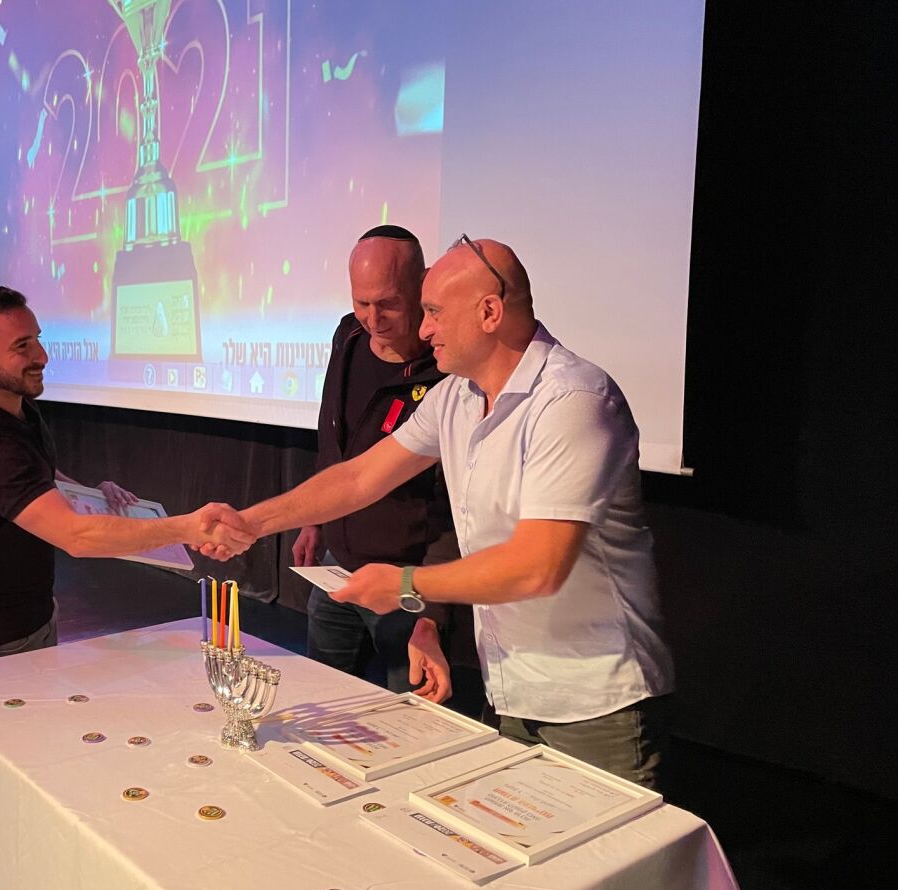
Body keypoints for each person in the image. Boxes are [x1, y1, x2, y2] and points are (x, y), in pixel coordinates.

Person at [212, 237, 674, 787]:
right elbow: (359, 477)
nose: (424, 329)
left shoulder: (572, 400)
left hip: (597, 703)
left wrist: (407, 585)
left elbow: (539, 567)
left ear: (489, 312)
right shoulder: (456, 396)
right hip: (512, 689)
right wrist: (252, 523)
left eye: (433, 312)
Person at [0, 285, 249, 666]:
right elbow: (76, 536)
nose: (42, 356)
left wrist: (87, 493)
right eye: (22, 346)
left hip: (33, 616)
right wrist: (187, 528)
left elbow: (33, 476)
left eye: (38, 339)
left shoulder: (19, 412)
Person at [292, 225, 461, 700]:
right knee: (320, 705)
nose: (373, 318)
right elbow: (334, 443)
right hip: (337, 569)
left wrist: (432, 612)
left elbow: (454, 505)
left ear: (421, 285)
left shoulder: (448, 371)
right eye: (362, 302)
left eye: (387, 304)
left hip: (408, 582)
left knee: (411, 716)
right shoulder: (347, 336)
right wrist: (314, 519)